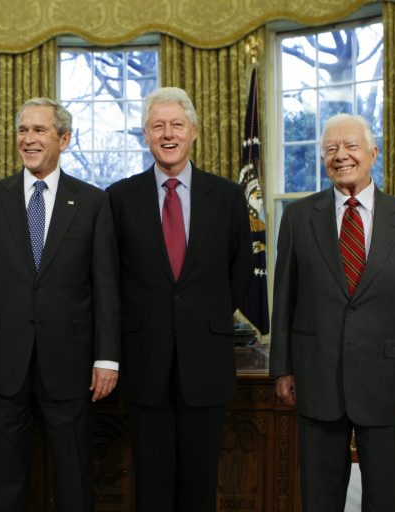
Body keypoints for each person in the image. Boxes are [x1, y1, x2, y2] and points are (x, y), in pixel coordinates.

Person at [0, 97, 121, 512]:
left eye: (39, 130)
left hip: (71, 363)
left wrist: (107, 359)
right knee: (6, 480)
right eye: (23, 130)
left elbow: (105, 287)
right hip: (1, 362)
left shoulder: (93, 202)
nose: (28, 139)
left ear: (64, 138)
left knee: (73, 475)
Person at [270, 113, 395, 510]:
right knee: (319, 499)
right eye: (330, 149)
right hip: (317, 381)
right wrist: (282, 367)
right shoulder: (298, 218)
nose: (340, 156)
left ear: (373, 153)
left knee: (386, 499)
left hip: (389, 385)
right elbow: (285, 299)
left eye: (350, 146)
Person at [106, 86, 252, 511]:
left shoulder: (226, 196)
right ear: (145, 135)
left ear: (193, 132)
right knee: (151, 485)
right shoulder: (119, 198)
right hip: (144, 362)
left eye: (176, 125)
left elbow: (240, 271)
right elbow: (110, 275)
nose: (167, 134)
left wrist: (199, 318)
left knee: (201, 485)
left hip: (205, 360)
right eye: (157, 126)